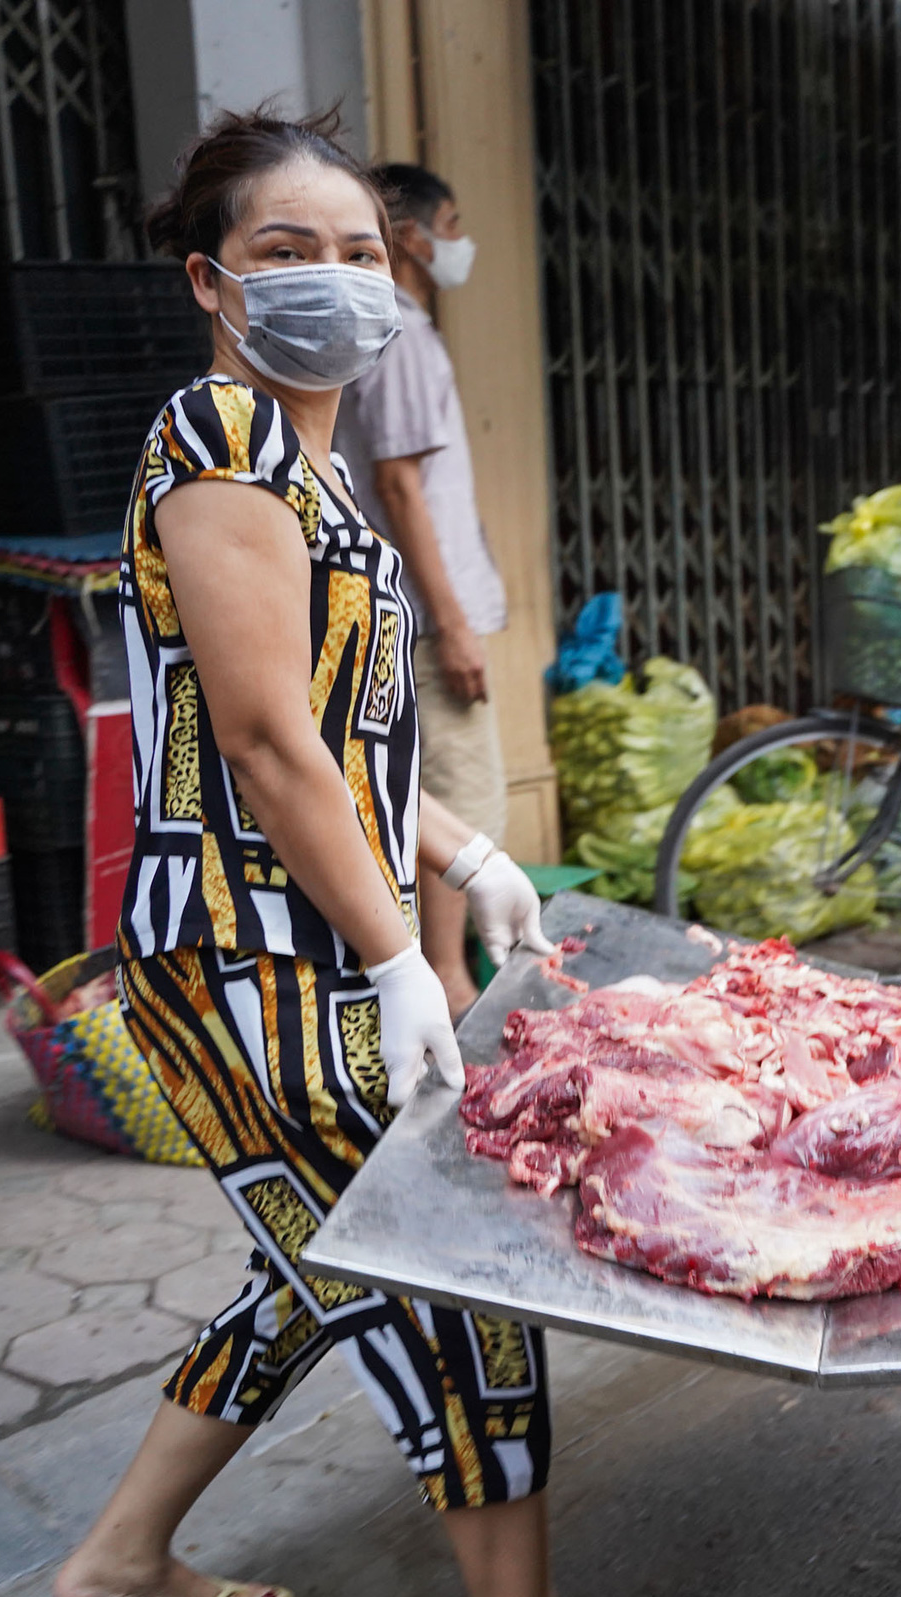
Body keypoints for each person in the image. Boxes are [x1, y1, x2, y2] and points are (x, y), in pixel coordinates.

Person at [49, 111, 714, 1597]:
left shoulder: (319, 469)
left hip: (297, 943)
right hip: (244, 955)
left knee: (320, 1269)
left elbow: (337, 731)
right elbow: (269, 743)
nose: (336, 280)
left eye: (361, 252)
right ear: (215, 282)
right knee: (448, 1272)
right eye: (288, 253)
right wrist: (392, 954)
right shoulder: (219, 439)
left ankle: (120, 1564)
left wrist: (468, 853)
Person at [335, 162, 510, 1020]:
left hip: (414, 609)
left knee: (430, 788)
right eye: (451, 223)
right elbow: (400, 487)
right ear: (409, 235)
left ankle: (440, 971)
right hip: (428, 616)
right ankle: (448, 975)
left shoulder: (390, 333)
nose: (458, 242)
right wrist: (453, 626)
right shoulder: (398, 336)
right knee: (457, 795)